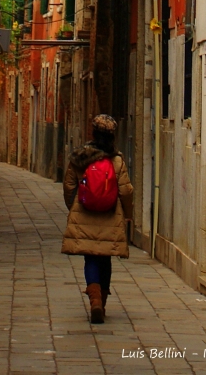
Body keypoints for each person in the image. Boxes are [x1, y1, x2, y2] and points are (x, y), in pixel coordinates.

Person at [61, 114, 134, 324]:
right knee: (105, 256)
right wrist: (128, 214)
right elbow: (126, 190)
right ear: (112, 136)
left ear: (93, 133)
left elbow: (68, 186)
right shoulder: (117, 161)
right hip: (110, 215)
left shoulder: (80, 158)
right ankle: (101, 300)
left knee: (90, 257)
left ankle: (94, 301)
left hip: (85, 213)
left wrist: (73, 207)